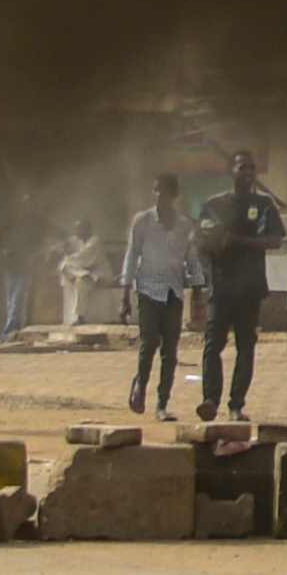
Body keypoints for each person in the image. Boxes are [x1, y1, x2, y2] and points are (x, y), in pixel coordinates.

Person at [191, 154, 283, 421]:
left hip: (250, 286)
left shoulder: (264, 205)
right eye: (242, 166)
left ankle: (236, 405)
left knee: (246, 346)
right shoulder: (214, 205)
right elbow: (201, 242)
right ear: (230, 170)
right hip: (221, 285)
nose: (247, 172)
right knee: (213, 344)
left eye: (252, 168)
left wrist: (237, 241)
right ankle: (210, 400)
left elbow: (275, 240)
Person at [121, 177, 196, 419]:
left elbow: (191, 258)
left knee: (170, 351)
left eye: (165, 193)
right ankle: (140, 385)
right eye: (157, 192)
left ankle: (162, 404)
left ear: (174, 196)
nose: (160, 197)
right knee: (148, 343)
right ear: (153, 193)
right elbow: (132, 255)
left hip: (173, 291)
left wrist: (199, 287)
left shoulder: (184, 226)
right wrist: (125, 293)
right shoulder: (142, 221)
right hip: (148, 290)